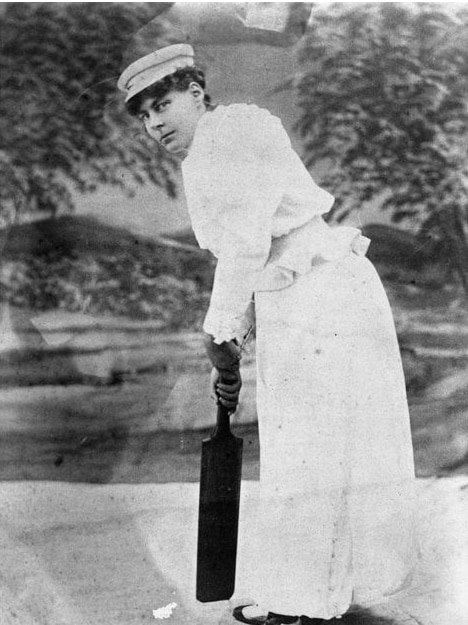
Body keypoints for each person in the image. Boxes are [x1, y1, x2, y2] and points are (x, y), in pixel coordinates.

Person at [118, 44, 417, 625]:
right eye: (144, 114)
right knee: (310, 452)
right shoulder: (208, 150)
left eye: (164, 103)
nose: (155, 122)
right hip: (302, 291)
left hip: (320, 289)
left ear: (196, 94)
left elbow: (250, 243)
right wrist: (230, 348)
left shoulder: (232, 133)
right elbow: (253, 253)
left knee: (312, 452)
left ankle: (303, 604)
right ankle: (313, 597)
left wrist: (220, 334)